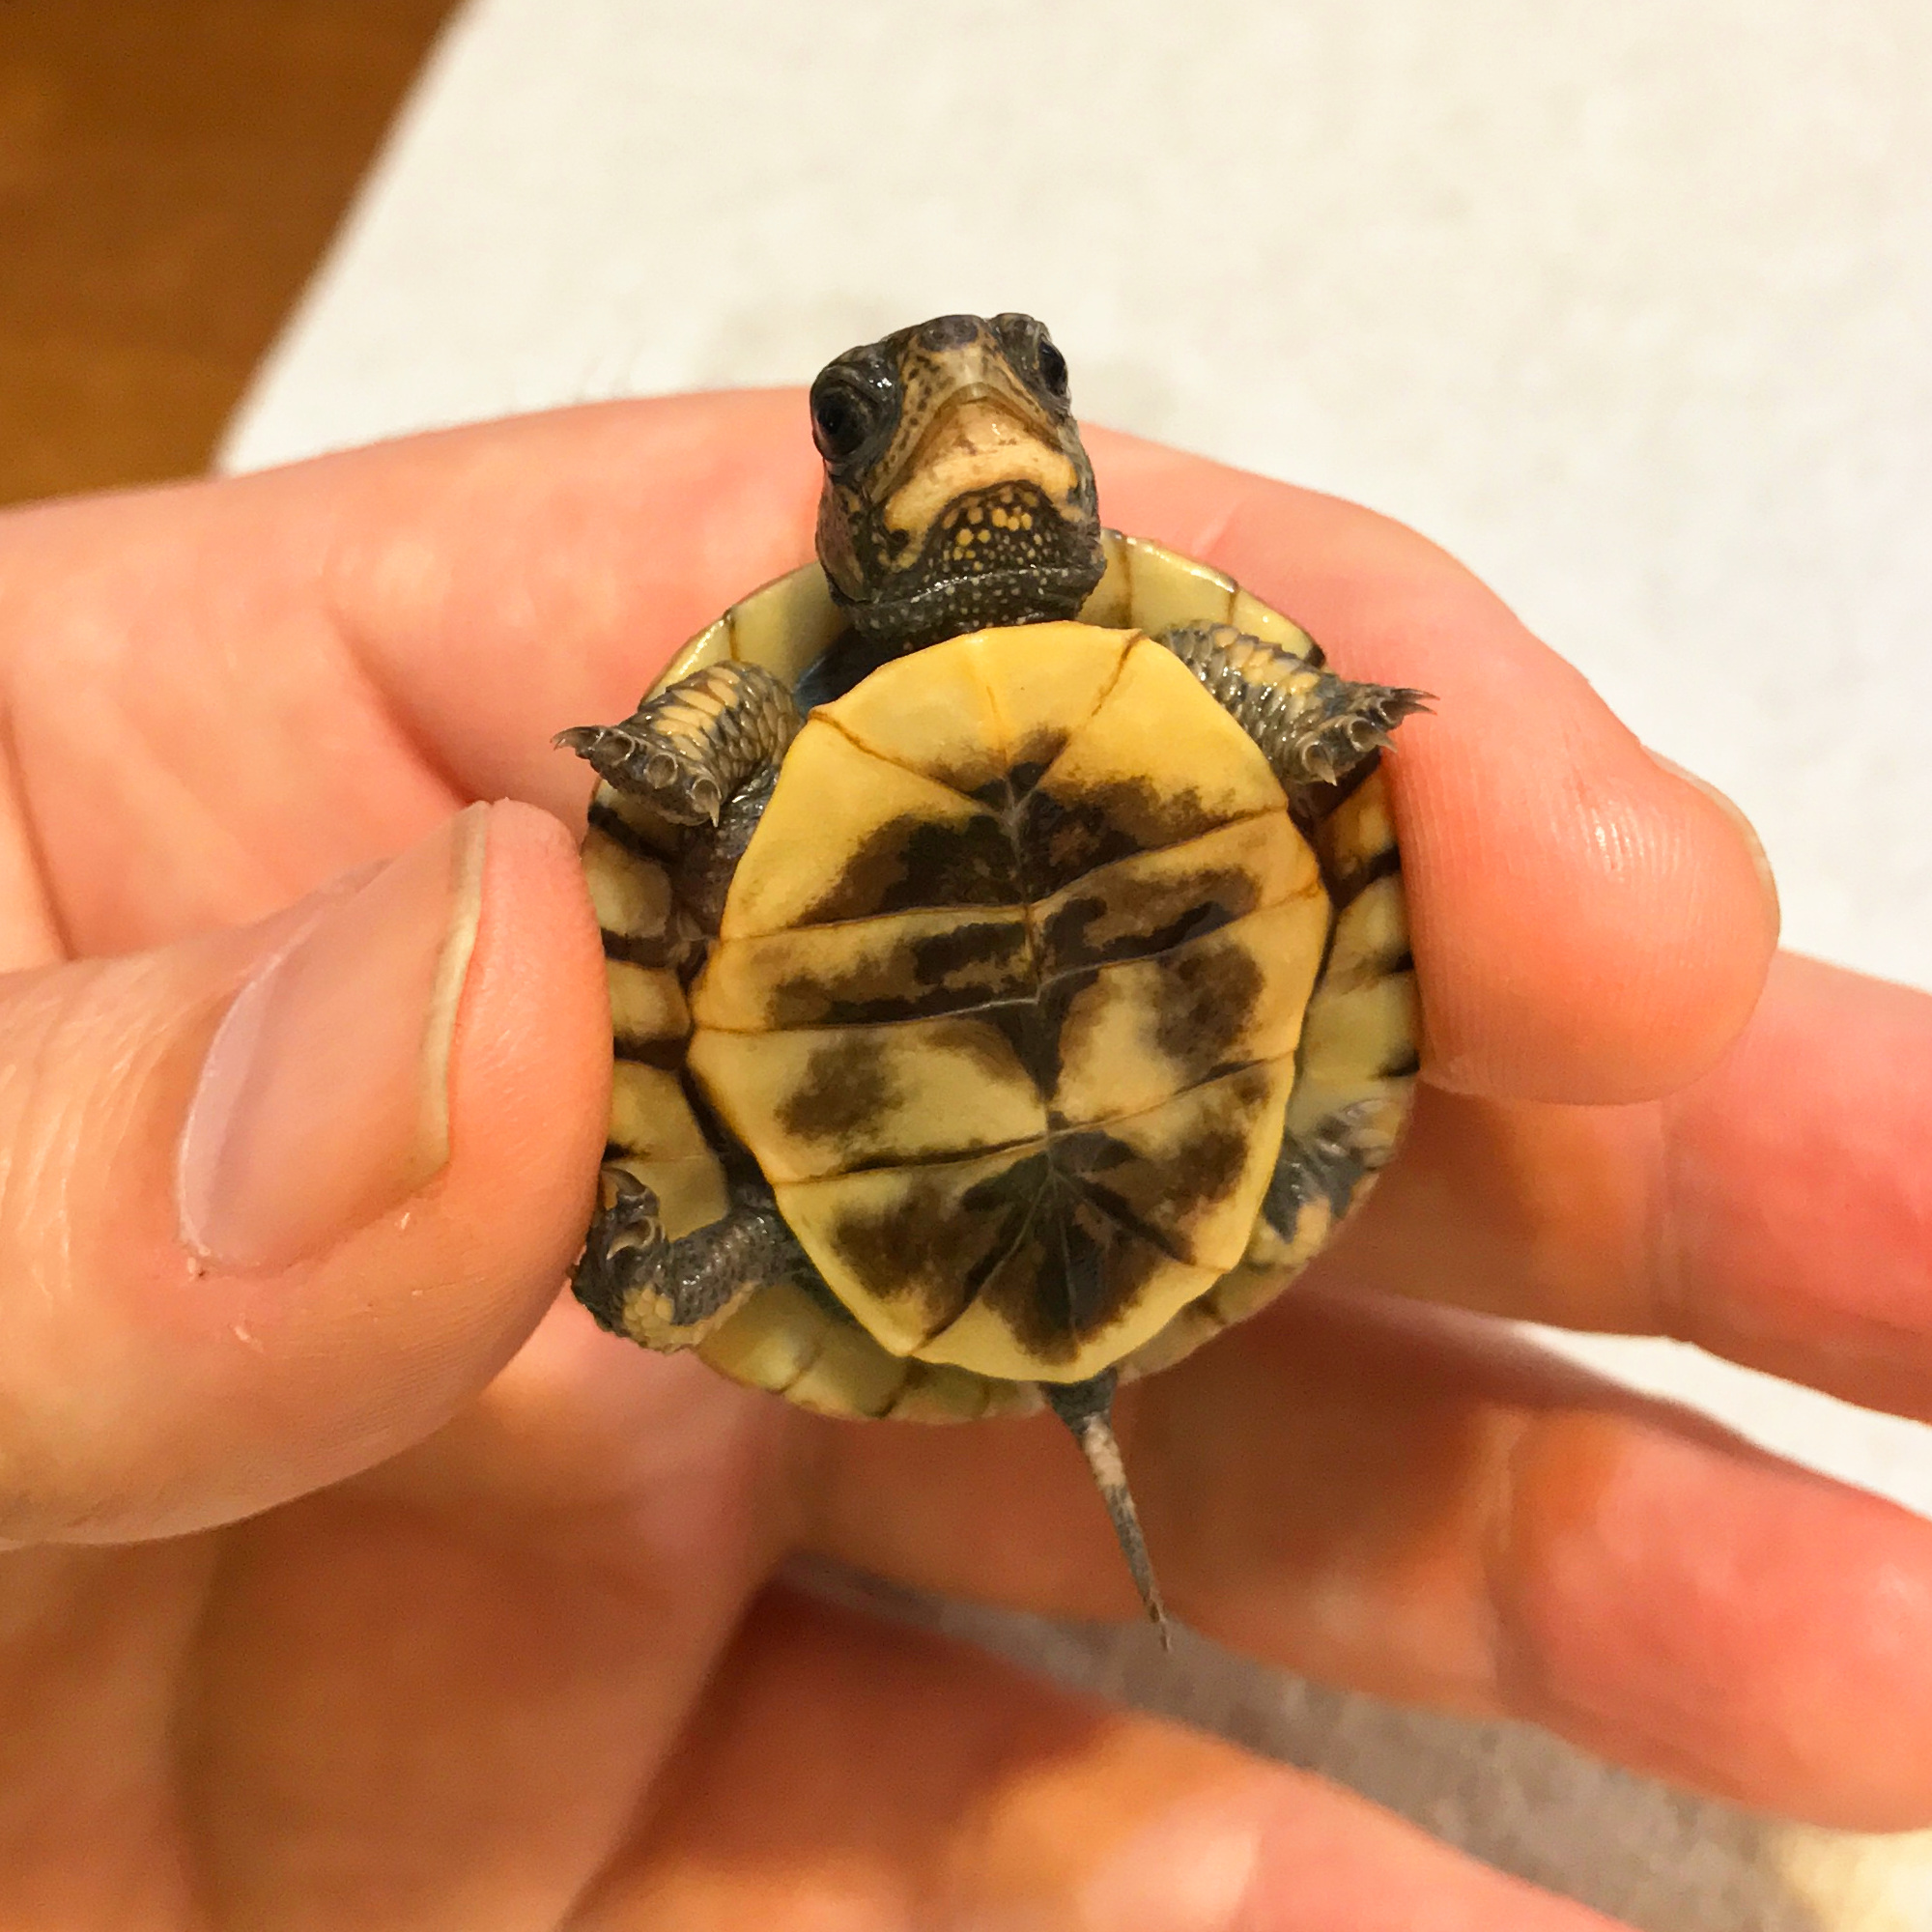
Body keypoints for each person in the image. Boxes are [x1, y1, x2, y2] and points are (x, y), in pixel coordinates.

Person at [0, 390, 1924, 1930]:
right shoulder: (787, 717)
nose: (963, 410)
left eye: (1028, 386)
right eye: (872, 414)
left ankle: (725, 1230)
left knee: (666, 1209)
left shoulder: (788, 726)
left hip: (957, 1137)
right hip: (1089, 1125)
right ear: (842, 499)